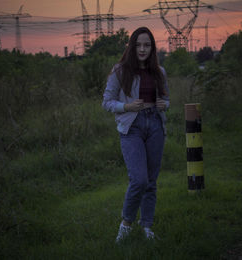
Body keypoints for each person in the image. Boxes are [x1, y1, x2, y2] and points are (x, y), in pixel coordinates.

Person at [102, 27, 170, 242]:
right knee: (139, 180)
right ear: (131, 46)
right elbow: (107, 102)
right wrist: (127, 106)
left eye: (147, 45)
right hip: (132, 127)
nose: (142, 49)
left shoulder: (160, 71)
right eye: (138, 45)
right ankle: (126, 224)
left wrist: (164, 104)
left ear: (152, 47)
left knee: (151, 181)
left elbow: (166, 100)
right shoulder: (120, 71)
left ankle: (147, 227)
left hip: (155, 125)